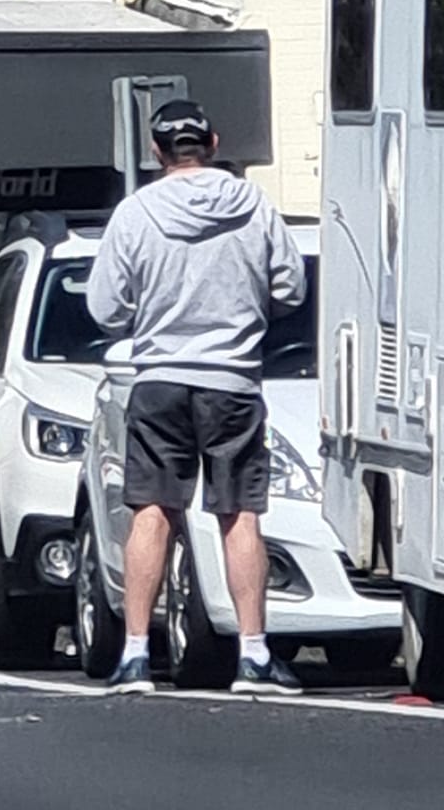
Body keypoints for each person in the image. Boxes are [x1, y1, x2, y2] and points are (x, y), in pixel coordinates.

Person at [87, 98, 307, 697]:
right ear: (212, 142)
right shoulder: (254, 205)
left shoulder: (135, 213)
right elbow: (290, 286)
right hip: (232, 380)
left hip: (159, 378)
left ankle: (135, 656)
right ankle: (255, 656)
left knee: (152, 510)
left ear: (156, 151)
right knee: (239, 515)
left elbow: (105, 308)